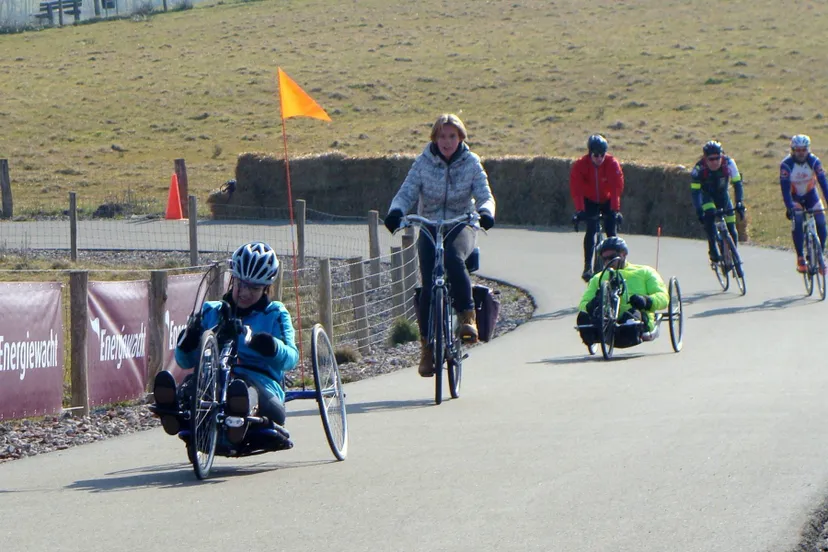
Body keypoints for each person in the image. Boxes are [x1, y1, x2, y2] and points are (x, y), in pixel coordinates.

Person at [152, 241, 299, 446]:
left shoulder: (275, 313)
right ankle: (173, 410)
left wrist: (271, 346)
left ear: (266, 287)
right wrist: (187, 343)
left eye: (254, 288)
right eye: (241, 284)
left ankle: (238, 419)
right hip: (213, 380)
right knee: (192, 385)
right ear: (233, 279)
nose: (245, 292)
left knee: (243, 390)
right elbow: (184, 361)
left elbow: (291, 358)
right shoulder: (211, 311)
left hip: (260, 382)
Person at [383, 113, 496, 377]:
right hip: (430, 224)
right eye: (442, 136)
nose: (447, 141)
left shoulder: (471, 163)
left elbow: (484, 192)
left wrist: (486, 211)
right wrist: (396, 211)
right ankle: (427, 349)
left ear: (461, 138)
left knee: (454, 259)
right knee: (426, 285)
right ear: (434, 138)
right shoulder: (423, 163)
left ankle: (468, 318)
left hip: (461, 223)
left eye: (452, 136)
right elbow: (407, 191)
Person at [576, 237, 668, 348]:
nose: (607, 262)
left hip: (634, 317)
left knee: (633, 316)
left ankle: (629, 328)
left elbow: (663, 296)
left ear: (624, 254)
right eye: (604, 259)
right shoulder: (597, 278)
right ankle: (597, 334)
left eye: (611, 257)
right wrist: (592, 304)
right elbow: (583, 303)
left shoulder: (645, 272)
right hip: (605, 320)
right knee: (583, 317)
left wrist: (646, 300)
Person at [570, 134, 625, 282]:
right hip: (590, 200)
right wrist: (580, 210)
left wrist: (615, 209)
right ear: (590, 153)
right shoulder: (581, 165)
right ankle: (587, 266)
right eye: (596, 155)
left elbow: (616, 188)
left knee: (611, 232)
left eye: (602, 155)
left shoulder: (612, 163)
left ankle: (616, 265)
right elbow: (577, 189)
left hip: (607, 199)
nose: (599, 158)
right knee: (591, 230)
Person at [690, 140, 745, 268]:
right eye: (711, 159)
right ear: (705, 159)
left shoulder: (729, 163)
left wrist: (739, 202)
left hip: (723, 196)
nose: (715, 162)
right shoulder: (698, 169)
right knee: (709, 218)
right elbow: (695, 192)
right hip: (707, 196)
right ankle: (713, 249)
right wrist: (699, 210)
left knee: (732, 230)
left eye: (717, 158)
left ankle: (732, 256)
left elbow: (737, 184)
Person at [780, 134, 828, 273]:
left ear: (808, 149)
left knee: (821, 220)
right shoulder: (786, 165)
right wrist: (789, 207)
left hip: (810, 195)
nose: (801, 153)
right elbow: (785, 190)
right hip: (795, 197)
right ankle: (800, 257)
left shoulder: (814, 162)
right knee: (799, 219)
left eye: (804, 150)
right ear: (793, 150)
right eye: (798, 150)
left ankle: (820, 255)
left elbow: (823, 183)